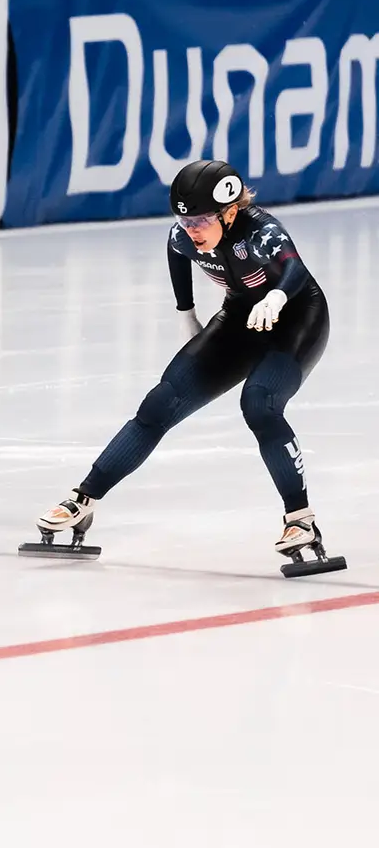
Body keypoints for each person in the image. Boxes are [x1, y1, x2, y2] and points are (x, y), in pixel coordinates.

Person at [33, 160, 342, 574]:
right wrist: (187, 313)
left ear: (229, 212)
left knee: (260, 403)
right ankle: (83, 500)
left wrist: (278, 298)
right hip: (239, 318)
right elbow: (175, 251)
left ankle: (301, 521)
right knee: (161, 403)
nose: (190, 229)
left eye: (199, 220)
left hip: (298, 317)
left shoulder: (260, 230)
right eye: (183, 218)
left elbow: (295, 268)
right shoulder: (184, 235)